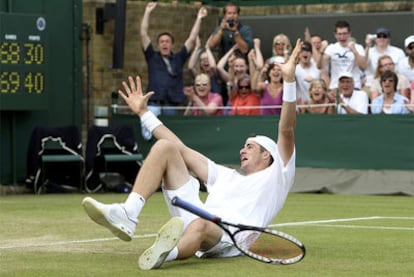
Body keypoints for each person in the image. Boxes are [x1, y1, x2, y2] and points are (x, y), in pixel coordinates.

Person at [82, 39, 303, 270]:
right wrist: (144, 113)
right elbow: (181, 148)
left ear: (267, 155)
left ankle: (166, 254)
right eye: (243, 146)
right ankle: (129, 212)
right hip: (196, 214)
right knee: (166, 148)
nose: (242, 150)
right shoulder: (226, 176)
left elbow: (286, 129)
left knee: (200, 226)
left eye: (250, 146)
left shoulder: (278, 176)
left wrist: (289, 81)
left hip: (228, 237)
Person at [139, 2, 207, 140]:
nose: (164, 43)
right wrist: (147, 12)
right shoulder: (152, 56)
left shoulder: (179, 58)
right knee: (148, 136)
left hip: (171, 105)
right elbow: (143, 34)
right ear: (158, 45)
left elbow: (192, 38)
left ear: (172, 44)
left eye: (167, 41)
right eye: (162, 41)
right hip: (153, 103)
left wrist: (199, 18)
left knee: (169, 137)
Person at [321, 20, 367, 90]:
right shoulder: (331, 48)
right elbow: (320, 66)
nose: (342, 37)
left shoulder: (358, 47)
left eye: (345, 33)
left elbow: (363, 67)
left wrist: (354, 51)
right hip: (336, 87)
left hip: (354, 87)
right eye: (339, 34)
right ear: (335, 35)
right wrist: (321, 51)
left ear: (349, 34)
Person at [363, 27, 406, 93]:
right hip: (372, 84)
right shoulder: (369, 51)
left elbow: (402, 71)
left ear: (389, 39)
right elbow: (363, 66)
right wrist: (367, 46)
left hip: (394, 85)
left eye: (384, 36)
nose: (382, 39)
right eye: (379, 36)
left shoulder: (398, 52)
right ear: (375, 39)